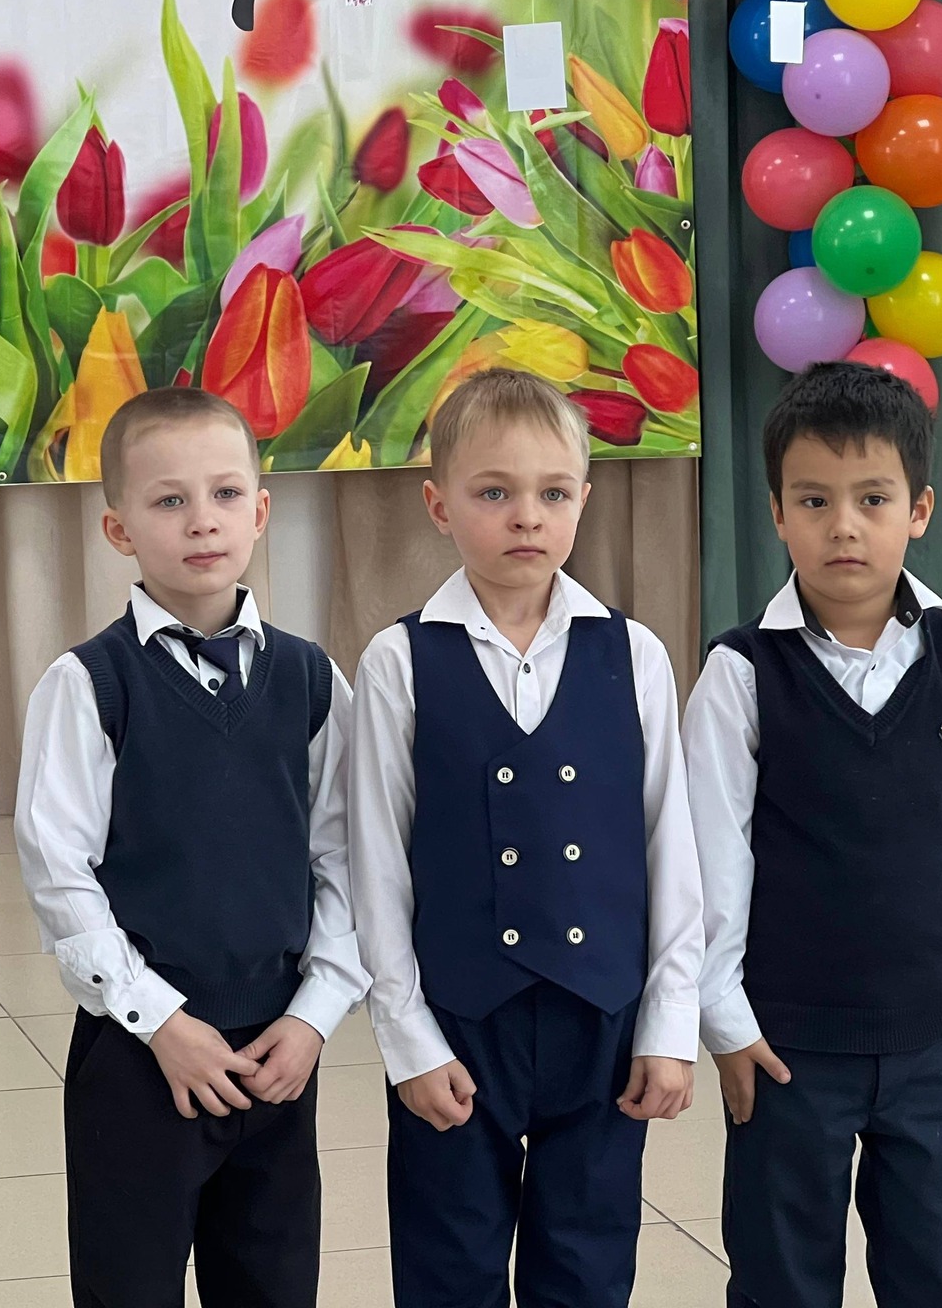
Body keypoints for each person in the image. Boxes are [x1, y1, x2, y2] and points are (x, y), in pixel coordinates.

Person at [686, 362, 942, 1308]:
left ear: (918, 510)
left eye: (872, 499)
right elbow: (712, 866)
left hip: (933, 1037)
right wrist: (725, 1022)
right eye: (814, 500)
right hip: (785, 1046)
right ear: (777, 514)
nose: (843, 525)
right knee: (782, 1278)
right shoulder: (740, 673)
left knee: (935, 1269)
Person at [349, 368, 705, 1308]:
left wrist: (670, 1022)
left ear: (584, 500)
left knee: (588, 1266)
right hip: (460, 1021)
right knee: (449, 1265)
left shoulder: (633, 653)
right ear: (439, 505)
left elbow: (670, 848)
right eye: (494, 493)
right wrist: (408, 1041)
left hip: (602, 1021)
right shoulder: (399, 661)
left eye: (552, 494)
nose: (526, 518)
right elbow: (377, 866)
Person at [15, 386, 365, 1308]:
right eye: (169, 500)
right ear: (119, 529)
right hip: (141, 1055)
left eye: (224, 495)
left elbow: (346, 861)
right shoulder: (88, 684)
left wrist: (315, 1014)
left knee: (273, 1282)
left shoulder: (312, 679)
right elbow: (59, 873)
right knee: (128, 1284)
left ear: (260, 511)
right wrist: (160, 1021)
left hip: (279, 1050)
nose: (201, 520)